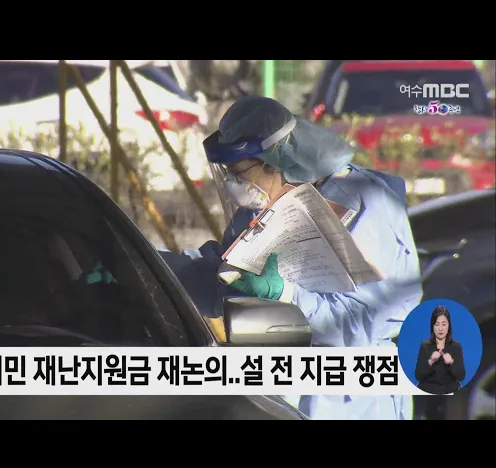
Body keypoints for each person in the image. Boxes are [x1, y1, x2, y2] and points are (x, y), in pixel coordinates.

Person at [160, 95, 423, 420]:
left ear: (275, 159)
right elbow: (220, 277)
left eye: (240, 172)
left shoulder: (363, 202)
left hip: (351, 398)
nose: (233, 183)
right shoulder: (259, 206)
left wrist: (287, 295)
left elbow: (366, 322)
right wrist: (148, 268)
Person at [415, 305, 466, 394]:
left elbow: (461, 376)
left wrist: (451, 362)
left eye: (444, 324)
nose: (440, 328)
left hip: (449, 392)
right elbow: (418, 376)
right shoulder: (425, 345)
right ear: (432, 326)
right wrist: (431, 361)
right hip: (428, 392)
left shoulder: (456, 346)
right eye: (437, 324)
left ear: (449, 325)